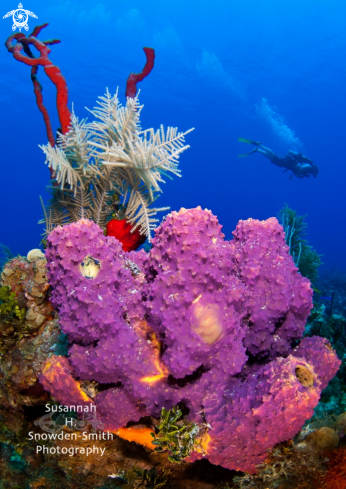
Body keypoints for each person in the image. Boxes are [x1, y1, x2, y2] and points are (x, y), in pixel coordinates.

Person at [238, 138, 319, 179]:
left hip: (286, 165)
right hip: (289, 161)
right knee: (274, 156)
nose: (314, 174)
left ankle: (258, 149)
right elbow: (302, 167)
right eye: (315, 173)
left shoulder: (307, 171)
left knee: (273, 159)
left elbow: (296, 174)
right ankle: (259, 145)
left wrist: (299, 174)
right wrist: (301, 172)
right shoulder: (309, 166)